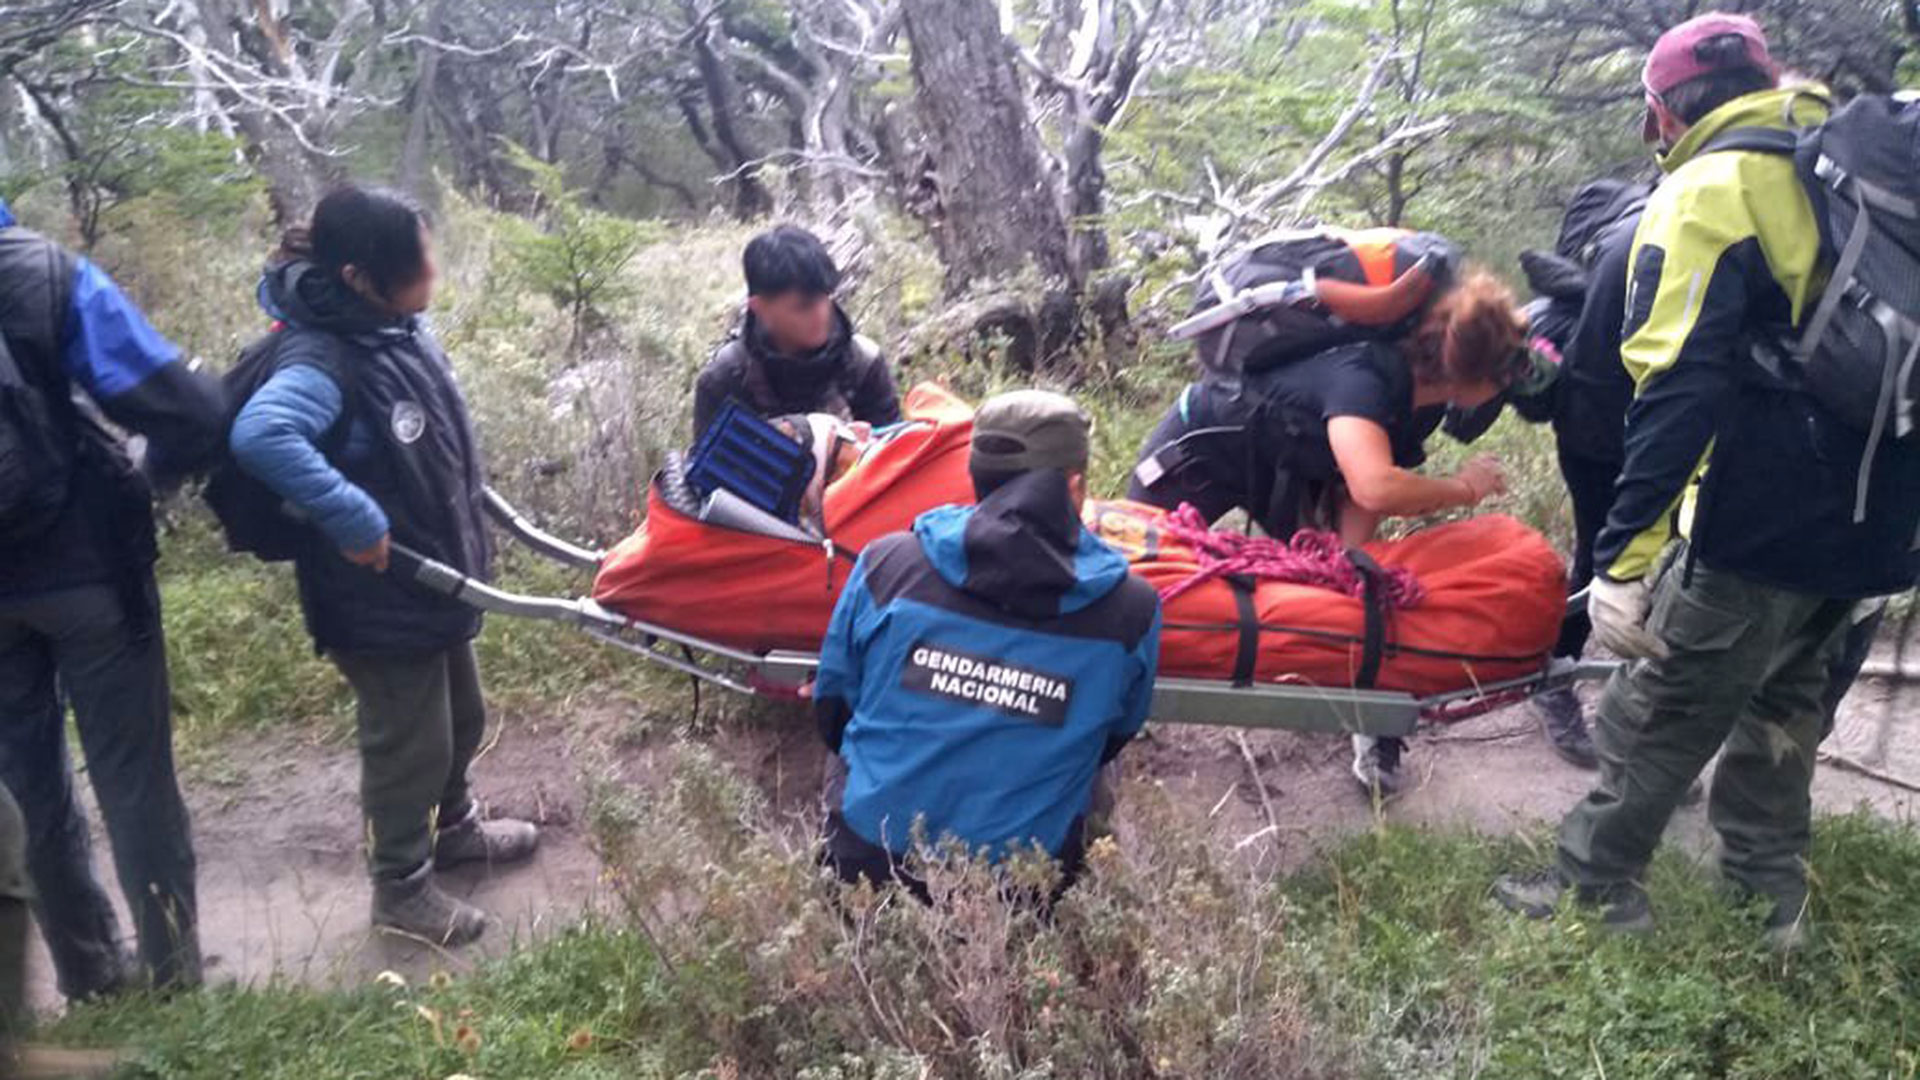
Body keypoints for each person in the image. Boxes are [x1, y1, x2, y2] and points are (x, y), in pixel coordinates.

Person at [1493, 13, 1920, 949]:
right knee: (1787, 705)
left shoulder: (1712, 188)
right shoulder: (1844, 163)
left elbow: (1675, 390)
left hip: (1762, 514)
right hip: (1884, 515)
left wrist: (1623, 560)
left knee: (1661, 706)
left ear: (1662, 115)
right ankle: (1769, 906)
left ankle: (1594, 890)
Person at [229, 186, 537, 947]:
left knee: (461, 719)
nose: (433, 269)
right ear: (361, 276)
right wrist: (353, 518)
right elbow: (263, 435)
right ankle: (400, 888)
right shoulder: (323, 355)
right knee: (410, 743)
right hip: (374, 589)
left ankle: (455, 828)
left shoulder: (391, 325)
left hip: (428, 577)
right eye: (418, 262)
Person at [1129, 267, 1529, 793]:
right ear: (1470, 377)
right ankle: (1112, 702)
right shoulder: (1365, 376)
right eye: (1500, 384)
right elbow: (1375, 486)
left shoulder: (1418, 403)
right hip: (1196, 450)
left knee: (1350, 593)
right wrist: (1463, 488)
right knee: (1132, 582)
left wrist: (1351, 571)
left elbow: (1356, 496)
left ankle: (1370, 720)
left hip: (1286, 468)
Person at [0, 196, 222, 1000]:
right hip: (88, 573)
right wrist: (148, 471)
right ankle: (172, 981)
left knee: (26, 785)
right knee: (134, 780)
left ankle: (90, 976)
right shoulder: (42, 274)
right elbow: (192, 409)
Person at [813, 390, 1160, 901]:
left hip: (866, 871)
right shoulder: (1131, 609)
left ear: (977, 477)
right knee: (1095, 758)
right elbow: (1115, 736)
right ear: (1074, 486)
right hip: (1019, 892)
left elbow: (833, 710)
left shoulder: (886, 565)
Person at [1521, 180, 1650, 767]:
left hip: (1630, 439)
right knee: (1602, 558)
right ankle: (1555, 679)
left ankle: (1606, 692)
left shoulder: (1582, 291)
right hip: (1600, 444)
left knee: (1629, 563)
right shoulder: (1570, 307)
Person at [691, 225, 901, 441]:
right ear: (759, 308)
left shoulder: (864, 363)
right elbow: (712, 471)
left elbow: (900, 459)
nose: (821, 314)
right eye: (803, 306)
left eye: (825, 297)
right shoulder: (724, 381)